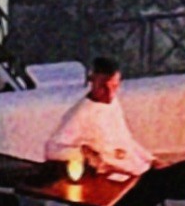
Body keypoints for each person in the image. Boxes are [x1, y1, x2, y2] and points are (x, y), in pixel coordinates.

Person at [44, 59, 153, 187]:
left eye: (114, 87)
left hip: (135, 170)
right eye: (103, 87)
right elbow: (52, 149)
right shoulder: (80, 114)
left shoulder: (113, 102)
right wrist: (82, 152)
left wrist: (150, 158)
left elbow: (126, 139)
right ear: (92, 80)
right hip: (112, 179)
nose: (109, 94)